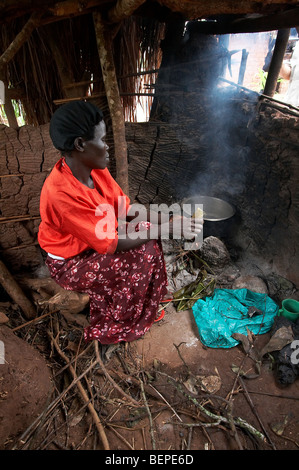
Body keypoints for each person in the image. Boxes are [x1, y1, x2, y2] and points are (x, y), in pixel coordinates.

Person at [38, 100, 203, 345]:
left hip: (93, 246)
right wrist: (168, 229)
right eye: (102, 140)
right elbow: (112, 244)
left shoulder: (94, 169)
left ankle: (146, 305)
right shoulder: (62, 194)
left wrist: (170, 219)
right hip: (71, 265)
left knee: (148, 232)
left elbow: (126, 210)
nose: (107, 148)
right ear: (80, 144)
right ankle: (116, 326)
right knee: (142, 250)